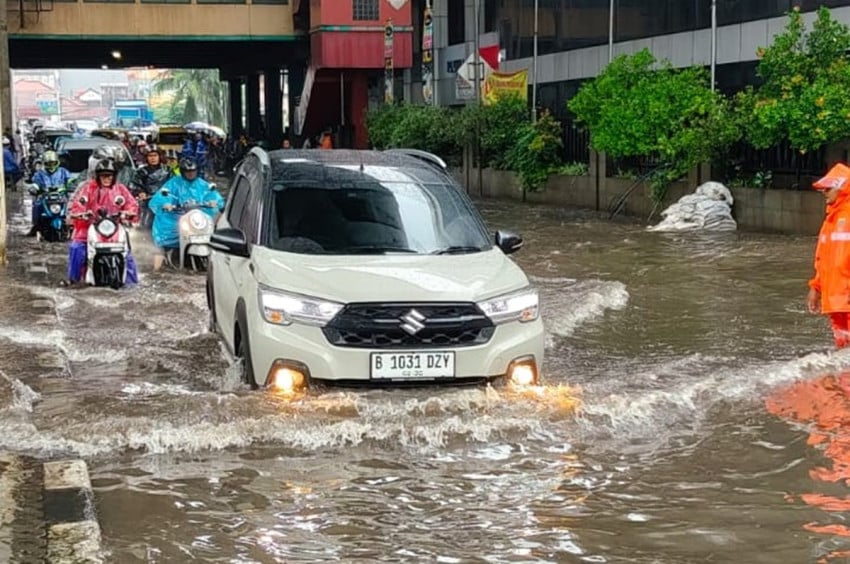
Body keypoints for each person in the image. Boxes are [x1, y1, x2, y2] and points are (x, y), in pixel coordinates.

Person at [63, 158, 139, 286]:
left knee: (127, 253)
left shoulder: (121, 189)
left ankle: (131, 282)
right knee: (76, 247)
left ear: (114, 176)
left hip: (113, 227)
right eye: (103, 175)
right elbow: (78, 203)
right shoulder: (88, 188)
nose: (106, 178)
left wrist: (128, 212)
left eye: (109, 175)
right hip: (89, 226)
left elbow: (132, 204)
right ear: (98, 176)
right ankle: (73, 280)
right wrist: (82, 213)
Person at [148, 157, 224, 271]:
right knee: (163, 232)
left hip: (196, 217)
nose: (190, 174)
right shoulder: (173, 183)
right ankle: (159, 265)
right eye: (188, 172)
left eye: (193, 172)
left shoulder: (203, 184)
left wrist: (214, 202)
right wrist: (166, 204)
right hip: (176, 217)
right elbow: (161, 197)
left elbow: (215, 197)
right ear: (183, 172)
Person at [808, 162, 850, 348]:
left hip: (845, 295)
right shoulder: (830, 220)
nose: (824, 192)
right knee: (842, 345)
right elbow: (822, 258)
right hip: (836, 298)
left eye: (828, 188)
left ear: (842, 188)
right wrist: (816, 288)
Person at [28, 150, 72, 236]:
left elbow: (70, 181)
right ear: (44, 163)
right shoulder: (39, 174)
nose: (51, 166)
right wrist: (34, 188)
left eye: (53, 163)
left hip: (61, 197)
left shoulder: (63, 171)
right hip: (45, 197)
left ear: (57, 162)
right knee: (37, 205)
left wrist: (71, 186)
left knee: (71, 206)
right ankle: (36, 226)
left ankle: (72, 226)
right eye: (48, 163)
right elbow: (35, 183)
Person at [130, 146, 172, 229]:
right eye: (150, 156)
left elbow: (174, 185)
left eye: (155, 155)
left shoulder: (168, 171)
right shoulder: (141, 172)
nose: (153, 158)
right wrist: (140, 192)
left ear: (160, 156)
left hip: (165, 202)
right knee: (145, 225)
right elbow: (134, 185)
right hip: (147, 203)